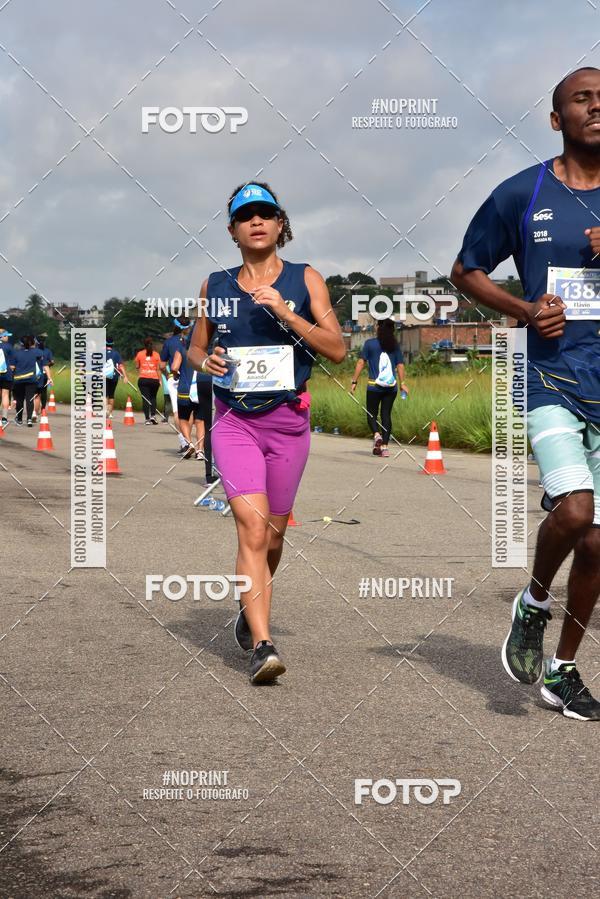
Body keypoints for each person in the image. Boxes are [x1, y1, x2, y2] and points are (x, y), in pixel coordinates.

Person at [451, 66, 600, 720]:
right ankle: (534, 601)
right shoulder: (523, 191)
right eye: (582, 99)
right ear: (557, 119)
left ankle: (562, 671)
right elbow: (466, 270)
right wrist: (523, 309)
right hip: (549, 376)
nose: (596, 106)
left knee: (597, 545)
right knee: (574, 511)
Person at [187, 181, 346, 684]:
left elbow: (337, 348)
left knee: (274, 535)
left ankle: (247, 605)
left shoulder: (306, 278)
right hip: (234, 420)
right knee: (252, 528)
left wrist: (284, 311)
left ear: (280, 225)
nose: (256, 222)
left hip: (288, 422)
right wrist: (206, 362)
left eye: (265, 214)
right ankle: (263, 644)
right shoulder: (215, 285)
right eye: (245, 216)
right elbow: (195, 349)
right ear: (232, 230)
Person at [350, 318, 407, 457]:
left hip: (374, 387)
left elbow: (360, 363)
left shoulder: (370, 344)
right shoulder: (395, 345)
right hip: (391, 388)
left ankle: (377, 435)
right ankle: (385, 448)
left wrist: (354, 382)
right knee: (386, 415)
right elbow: (400, 365)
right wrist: (403, 383)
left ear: (379, 328)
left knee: (371, 415)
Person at [171, 337, 215, 482]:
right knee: (200, 420)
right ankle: (200, 450)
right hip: (202, 388)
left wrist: (176, 375)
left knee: (183, 418)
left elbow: (174, 367)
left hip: (185, 389)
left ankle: (189, 443)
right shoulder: (208, 352)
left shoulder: (182, 350)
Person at [160, 317, 192, 451]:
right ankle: (190, 441)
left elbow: (162, 365)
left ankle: (185, 443)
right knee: (191, 411)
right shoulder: (192, 341)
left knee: (177, 411)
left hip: (175, 378)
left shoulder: (169, 342)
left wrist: (168, 375)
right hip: (191, 377)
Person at [10, 335, 51, 426]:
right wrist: (49, 377)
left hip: (18, 380)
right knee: (30, 399)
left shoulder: (16, 353)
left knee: (19, 400)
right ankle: (29, 419)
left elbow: (12, 367)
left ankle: (19, 419)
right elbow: (45, 364)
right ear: (32, 343)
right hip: (31, 380)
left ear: (21, 344)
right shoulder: (37, 352)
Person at [134, 338, 163, 424]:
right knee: (153, 398)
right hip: (154, 380)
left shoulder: (140, 354)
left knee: (145, 399)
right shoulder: (156, 354)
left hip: (143, 379)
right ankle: (153, 416)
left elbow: (137, 366)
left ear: (144, 345)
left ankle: (147, 419)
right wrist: (160, 380)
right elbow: (158, 369)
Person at [104, 337, 129, 418]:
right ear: (113, 344)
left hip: (104, 376)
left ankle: (105, 411)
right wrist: (125, 376)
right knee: (111, 395)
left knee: (104, 394)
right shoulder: (116, 354)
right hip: (114, 376)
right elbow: (121, 366)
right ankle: (110, 413)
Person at [33, 335, 54, 416]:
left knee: (35, 393)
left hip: (35, 374)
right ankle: (43, 408)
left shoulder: (34, 351)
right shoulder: (48, 351)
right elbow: (52, 361)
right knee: (43, 392)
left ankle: (34, 411)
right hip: (45, 374)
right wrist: (47, 365)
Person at [0, 328, 14, 427]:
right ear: (2, 336)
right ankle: (4, 418)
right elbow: (13, 363)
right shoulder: (9, 347)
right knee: (5, 395)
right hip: (6, 374)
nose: (7, 337)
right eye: (6, 336)